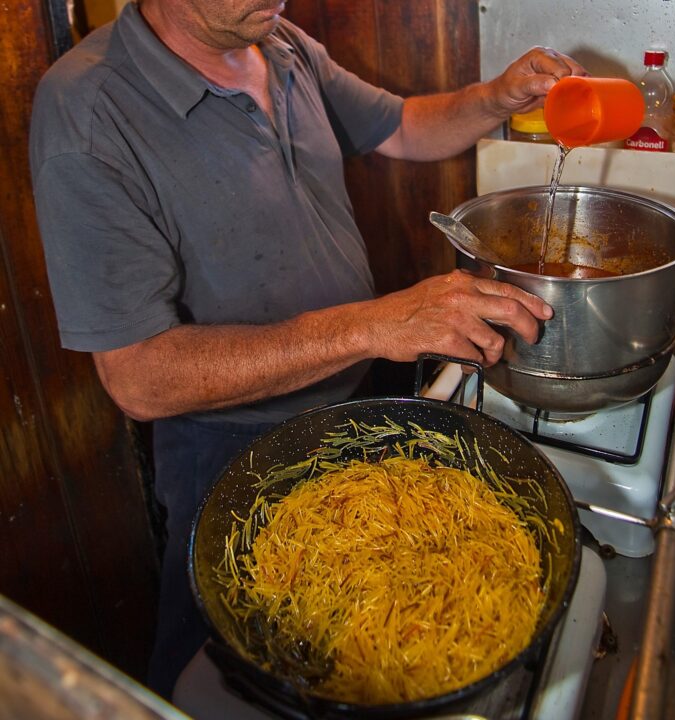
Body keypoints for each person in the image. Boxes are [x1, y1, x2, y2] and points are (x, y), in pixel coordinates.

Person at [28, 0, 586, 701]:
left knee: (371, 634)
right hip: (229, 450)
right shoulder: (88, 111)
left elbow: (403, 126)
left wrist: (494, 97)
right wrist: (370, 325)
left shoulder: (277, 38)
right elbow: (138, 377)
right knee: (217, 677)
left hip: (358, 396)